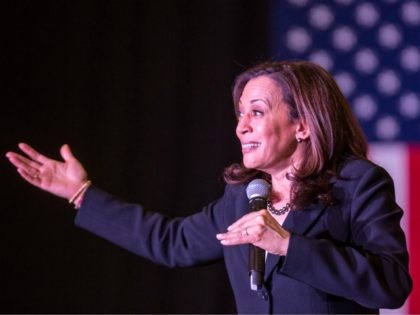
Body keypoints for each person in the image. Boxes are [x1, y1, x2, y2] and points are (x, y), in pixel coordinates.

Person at [6, 60, 412, 314]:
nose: (241, 126)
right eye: (240, 114)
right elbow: (170, 241)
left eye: (257, 112)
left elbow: (391, 286)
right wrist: (82, 194)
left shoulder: (358, 184)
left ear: (303, 124)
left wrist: (289, 245)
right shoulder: (243, 197)